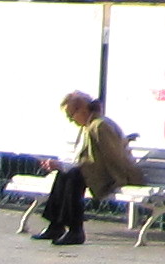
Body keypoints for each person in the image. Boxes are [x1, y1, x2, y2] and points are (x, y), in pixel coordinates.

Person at [34, 93, 142, 248]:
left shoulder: (100, 126)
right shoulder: (90, 125)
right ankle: (56, 225)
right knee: (65, 174)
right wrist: (62, 165)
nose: (71, 120)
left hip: (116, 175)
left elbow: (114, 158)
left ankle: (75, 230)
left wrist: (73, 167)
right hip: (100, 172)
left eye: (71, 115)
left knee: (74, 176)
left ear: (82, 110)